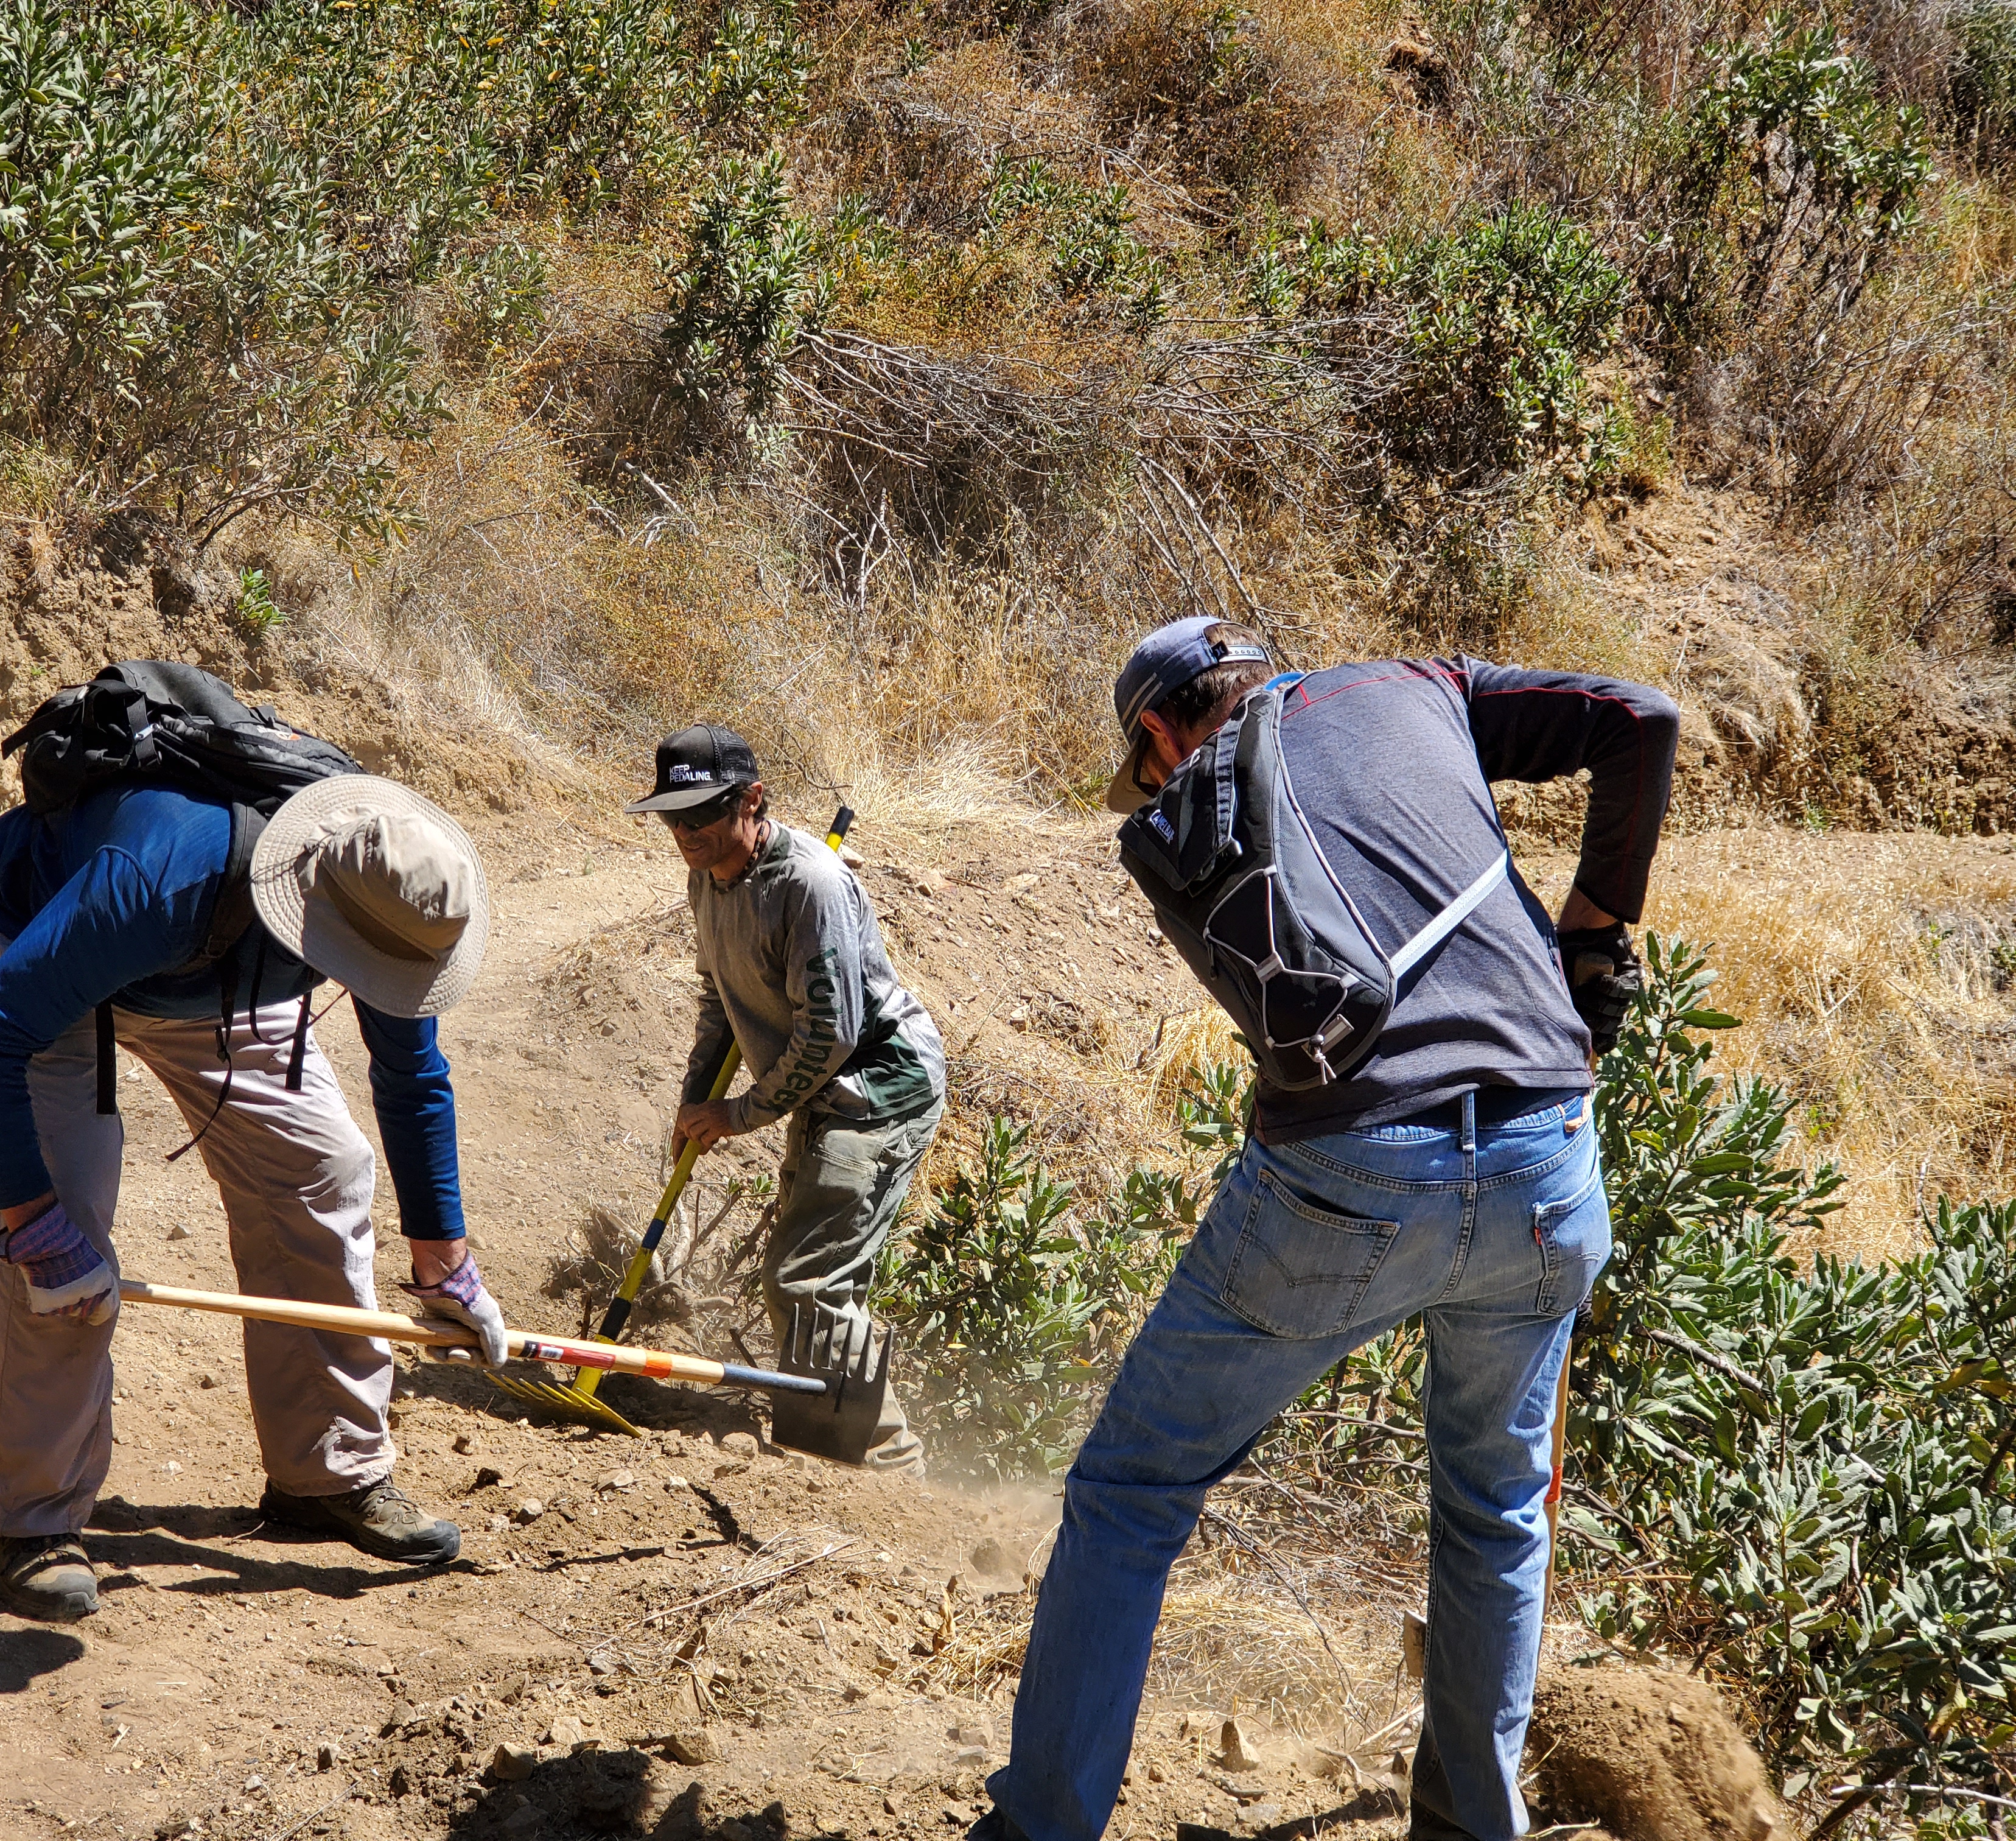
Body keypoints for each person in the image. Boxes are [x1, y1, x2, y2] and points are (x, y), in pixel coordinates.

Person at [987, 619, 1676, 1841]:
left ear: (1160, 731)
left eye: (1147, 763)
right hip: (1547, 1165)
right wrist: (1592, 927)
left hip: (1351, 1173)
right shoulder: (1420, 686)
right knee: (1496, 1509)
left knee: (1133, 1490)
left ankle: (1040, 1829)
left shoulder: (1175, 822)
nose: (1152, 787)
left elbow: (1303, 1022)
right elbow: (1639, 719)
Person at [0, 770, 509, 1621]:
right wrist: (35, 1225)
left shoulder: (393, 889)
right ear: (316, 916)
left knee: (320, 1169)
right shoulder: (164, 876)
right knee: (70, 1213)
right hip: (43, 938)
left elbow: (412, 1074)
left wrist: (445, 1262)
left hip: (220, 968)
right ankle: (33, 1521)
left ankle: (326, 1474)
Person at [628, 724, 947, 1470]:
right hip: (823, 1090)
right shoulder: (706, 878)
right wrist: (693, 1102)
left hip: (879, 1084)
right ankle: (843, 1444)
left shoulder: (810, 884)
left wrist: (738, 1115)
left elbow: (829, 1036)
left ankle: (887, 1464)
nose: (685, 833)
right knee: (805, 1277)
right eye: (672, 817)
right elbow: (720, 1000)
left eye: (701, 814)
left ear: (753, 801)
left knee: (807, 1278)